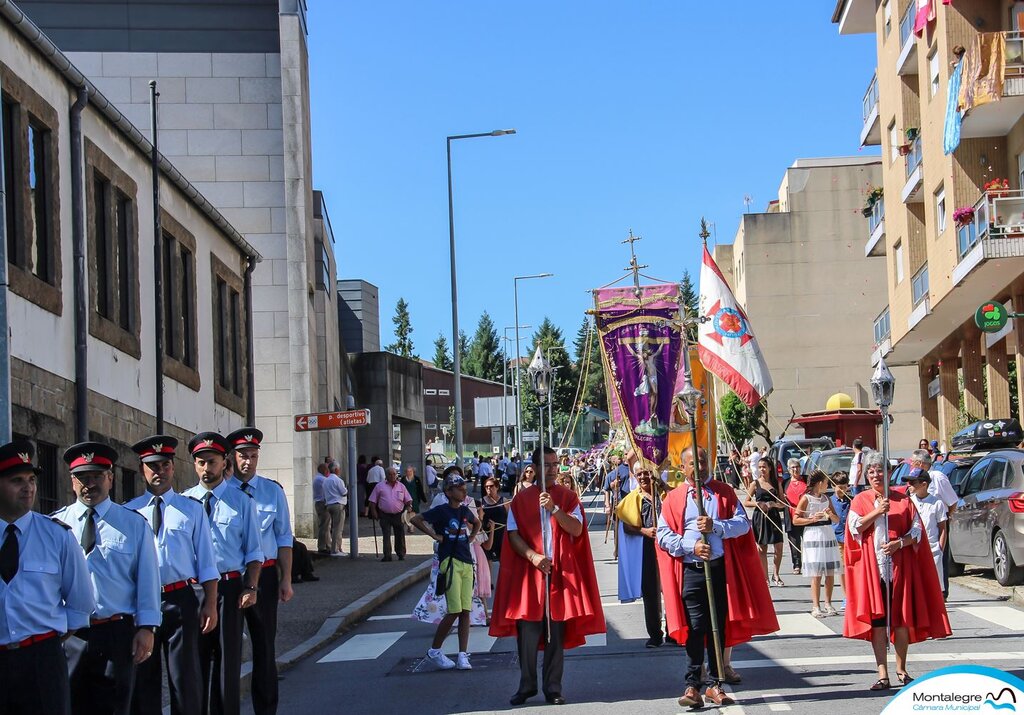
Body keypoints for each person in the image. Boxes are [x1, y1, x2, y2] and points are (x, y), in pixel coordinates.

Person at [656, 447, 778, 708]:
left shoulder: (725, 492)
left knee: (716, 628)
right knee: (696, 627)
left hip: (720, 570)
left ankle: (715, 683)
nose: (698, 466)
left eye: (702, 461)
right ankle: (692, 684)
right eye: (692, 463)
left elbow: (743, 524)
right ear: (683, 466)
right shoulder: (674, 498)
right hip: (692, 570)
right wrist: (691, 547)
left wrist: (717, 527)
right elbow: (663, 535)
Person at [490, 446, 605, 707]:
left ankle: (553, 687)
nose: (553, 469)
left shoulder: (568, 497)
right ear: (535, 467)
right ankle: (527, 685)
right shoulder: (521, 499)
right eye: (548, 464)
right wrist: (532, 556)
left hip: (559, 574)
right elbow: (513, 534)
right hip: (530, 575)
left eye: (556, 464)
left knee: (555, 633)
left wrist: (554, 509)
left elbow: (576, 529)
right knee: (527, 633)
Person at [54, 442, 161, 715]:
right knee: (68, 705)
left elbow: (147, 579)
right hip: (70, 635)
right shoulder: (55, 526)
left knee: (114, 707)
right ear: (72, 480)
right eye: (83, 477)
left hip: (116, 633)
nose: (90, 484)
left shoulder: (134, 525)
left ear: (110, 478)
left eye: (97, 476)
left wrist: (147, 628)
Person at [126, 435, 219, 715]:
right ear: (142, 468)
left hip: (180, 599)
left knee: (185, 678)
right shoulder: (129, 512)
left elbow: (206, 562)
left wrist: (211, 604)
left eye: (165, 465)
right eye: (152, 466)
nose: (159, 471)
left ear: (173, 468)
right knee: (144, 678)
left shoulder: (190, 509)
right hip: (142, 601)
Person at [0, 439, 95, 715]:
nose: (27, 487)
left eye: (31, 479)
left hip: (42, 660)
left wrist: (46, 640)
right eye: (16, 480)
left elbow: (80, 603)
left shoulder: (57, 536)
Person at [843, 451, 951, 691]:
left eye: (880, 470)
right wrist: (876, 511)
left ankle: (902, 669)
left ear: (889, 473)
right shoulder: (860, 500)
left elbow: (917, 531)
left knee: (901, 620)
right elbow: (854, 528)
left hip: (900, 566)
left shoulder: (903, 499)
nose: (875, 475)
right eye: (870, 472)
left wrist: (899, 543)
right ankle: (883, 673)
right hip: (874, 568)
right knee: (879, 621)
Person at [182, 432, 263, 715]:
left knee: (228, 665)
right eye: (201, 462)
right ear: (194, 464)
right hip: (194, 592)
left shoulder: (241, 501)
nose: (207, 469)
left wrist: (251, 588)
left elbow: (254, 552)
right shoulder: (183, 503)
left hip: (229, 589)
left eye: (212, 462)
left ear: (224, 462)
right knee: (193, 664)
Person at [226, 428, 293, 715]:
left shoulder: (272, 491)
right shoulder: (220, 492)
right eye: (242, 456)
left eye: (253, 456)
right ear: (232, 457)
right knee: (226, 649)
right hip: (229, 577)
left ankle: (266, 710)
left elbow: (284, 538)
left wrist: (286, 578)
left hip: (264, 575)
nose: (248, 462)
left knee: (264, 646)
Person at [410, 471, 480, 671]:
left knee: (466, 610)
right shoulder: (441, 510)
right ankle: (435, 650)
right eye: (459, 488)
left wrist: (471, 537)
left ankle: (462, 654)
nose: (463, 491)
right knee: (455, 610)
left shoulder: (465, 510)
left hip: (466, 561)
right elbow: (416, 519)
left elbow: (477, 522)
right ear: (449, 492)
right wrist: (435, 535)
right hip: (449, 561)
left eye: (464, 487)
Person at [615, 464, 666, 647]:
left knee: (672, 589)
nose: (643, 477)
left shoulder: (664, 494)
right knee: (651, 591)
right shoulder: (632, 498)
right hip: (647, 548)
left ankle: (676, 631)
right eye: (639, 474)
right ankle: (655, 633)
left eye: (646, 473)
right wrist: (644, 530)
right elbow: (627, 526)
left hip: (669, 545)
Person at [909, 449, 958, 598]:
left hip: (938, 520)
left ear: (920, 463)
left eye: (913, 463)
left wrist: (946, 517)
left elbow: (953, 501)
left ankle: (942, 593)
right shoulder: (913, 481)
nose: (911, 466)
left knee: (939, 560)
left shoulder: (937, 477)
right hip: (921, 523)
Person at [793, 471, 842, 617]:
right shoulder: (806, 498)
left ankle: (828, 603)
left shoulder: (826, 498)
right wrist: (812, 519)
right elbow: (796, 519)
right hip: (813, 534)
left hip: (827, 533)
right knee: (816, 573)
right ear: (820, 483)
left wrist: (829, 514)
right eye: (826, 482)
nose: (827, 485)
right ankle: (816, 605)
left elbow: (836, 520)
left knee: (830, 571)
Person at [744, 457, 786, 586]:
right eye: (760, 467)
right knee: (762, 548)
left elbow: (783, 503)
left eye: (764, 467)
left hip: (773, 516)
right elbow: (746, 502)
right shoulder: (755, 483)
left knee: (778, 546)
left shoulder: (776, 483)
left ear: (770, 468)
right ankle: (765, 577)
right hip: (760, 518)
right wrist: (758, 503)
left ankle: (776, 575)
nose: (762, 469)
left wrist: (774, 504)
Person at [906, 469, 948, 589]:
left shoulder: (936, 503)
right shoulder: (909, 501)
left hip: (932, 549)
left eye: (913, 483)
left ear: (924, 484)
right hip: (914, 548)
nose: (909, 486)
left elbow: (943, 528)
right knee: (916, 584)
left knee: (933, 585)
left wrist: (940, 548)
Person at [368, 467, 412, 561]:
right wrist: (374, 512)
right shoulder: (379, 486)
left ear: (396, 475)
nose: (392, 476)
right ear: (386, 475)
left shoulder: (401, 486)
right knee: (386, 535)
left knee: (400, 534)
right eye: (390, 474)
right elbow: (372, 501)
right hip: (384, 514)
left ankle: (401, 554)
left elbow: (408, 500)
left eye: (394, 474)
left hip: (398, 514)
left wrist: (409, 506)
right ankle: (387, 555)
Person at [830, 473, 853, 608]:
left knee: (850, 567)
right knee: (842, 568)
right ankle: (846, 596)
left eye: (844, 487)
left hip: (850, 537)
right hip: (837, 537)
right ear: (833, 486)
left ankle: (852, 593)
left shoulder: (851, 500)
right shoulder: (830, 501)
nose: (842, 490)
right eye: (839, 487)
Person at [785, 459, 807, 575]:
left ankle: (809, 563)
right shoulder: (785, 483)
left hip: (805, 516)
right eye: (793, 467)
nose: (796, 469)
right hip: (791, 516)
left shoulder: (806, 479)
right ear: (789, 470)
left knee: (808, 541)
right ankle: (797, 564)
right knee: (794, 542)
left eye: (797, 467)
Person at [323, 464, 348, 556]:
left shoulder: (326, 481)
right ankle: (335, 549)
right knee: (338, 528)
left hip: (329, 504)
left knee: (334, 527)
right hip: (338, 504)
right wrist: (346, 490)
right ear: (336, 469)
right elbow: (344, 492)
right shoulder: (338, 480)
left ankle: (337, 548)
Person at [401, 465, 427, 533]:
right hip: (405, 500)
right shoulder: (403, 479)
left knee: (412, 514)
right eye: (407, 471)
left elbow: (420, 490)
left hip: (414, 499)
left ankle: (411, 528)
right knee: (407, 513)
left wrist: (424, 499)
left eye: (410, 471)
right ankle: (409, 526)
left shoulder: (416, 479)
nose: (409, 473)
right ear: (405, 472)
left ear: (413, 472)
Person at [313, 463, 329, 554]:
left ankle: (325, 545)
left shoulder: (318, 478)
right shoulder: (322, 479)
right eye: (326, 469)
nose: (327, 471)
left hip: (320, 503)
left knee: (325, 525)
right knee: (324, 526)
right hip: (322, 503)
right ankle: (322, 546)